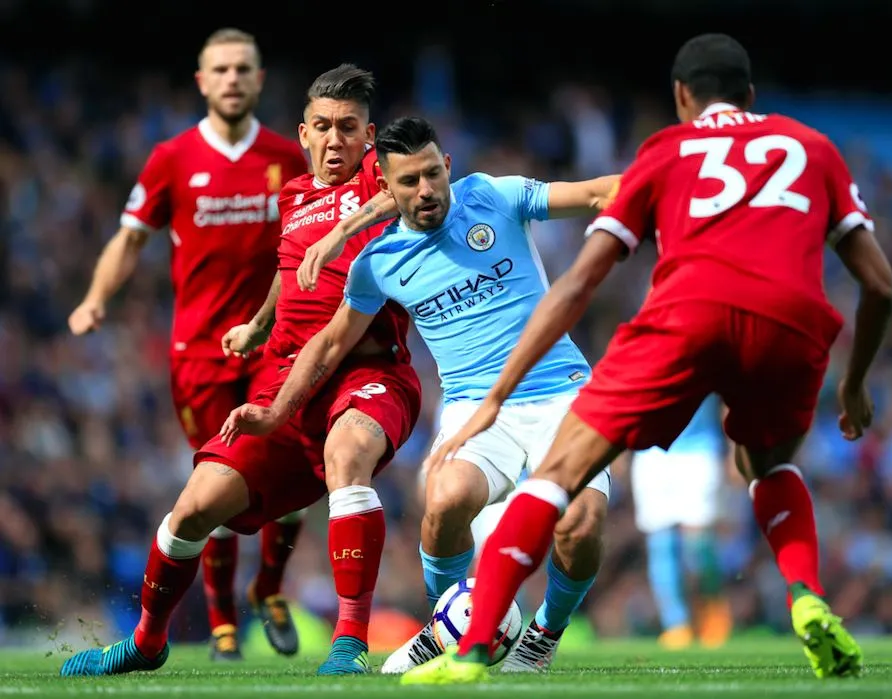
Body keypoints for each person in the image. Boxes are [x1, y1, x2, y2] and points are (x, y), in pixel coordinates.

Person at [405, 33, 892, 685]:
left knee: (558, 473)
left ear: (680, 98)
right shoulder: (813, 148)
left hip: (686, 313)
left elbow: (579, 282)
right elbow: (880, 285)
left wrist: (497, 393)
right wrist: (856, 383)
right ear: (750, 96)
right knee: (765, 464)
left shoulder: (666, 150)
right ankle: (806, 594)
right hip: (792, 321)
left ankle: (468, 654)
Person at [223, 115, 620, 674]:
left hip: (562, 393)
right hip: (474, 409)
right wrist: (275, 412)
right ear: (386, 187)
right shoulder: (379, 262)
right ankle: (447, 621)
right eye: (409, 181)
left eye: (433, 174)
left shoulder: (494, 196)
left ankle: (544, 635)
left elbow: (601, 191)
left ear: (448, 167)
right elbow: (330, 343)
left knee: (579, 524)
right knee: (445, 500)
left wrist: (666, 192)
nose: (426, 190)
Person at [60, 63, 420, 678]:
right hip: (285, 376)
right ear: (303, 134)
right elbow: (288, 273)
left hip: (367, 373)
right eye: (323, 128)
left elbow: (407, 190)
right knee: (195, 507)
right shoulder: (293, 197)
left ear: (369, 135)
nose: (336, 140)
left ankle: (349, 642)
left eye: (349, 128)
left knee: (348, 453)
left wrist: (340, 234)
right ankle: (147, 643)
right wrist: (258, 325)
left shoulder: (377, 177)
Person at [66, 28, 309, 661]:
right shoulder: (171, 158)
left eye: (243, 69)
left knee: (294, 471)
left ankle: (270, 588)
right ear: (202, 81)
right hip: (198, 357)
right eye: (220, 69)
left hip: (275, 347)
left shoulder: (289, 157)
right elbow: (129, 238)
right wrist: (96, 299)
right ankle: (225, 623)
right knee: (214, 479)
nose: (232, 78)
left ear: (259, 79)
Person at [631, 396, 731, 649]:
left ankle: (710, 605)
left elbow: (730, 395)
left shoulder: (712, 355)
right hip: (651, 452)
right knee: (661, 544)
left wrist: (734, 448)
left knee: (698, 544)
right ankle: (677, 624)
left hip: (700, 450)